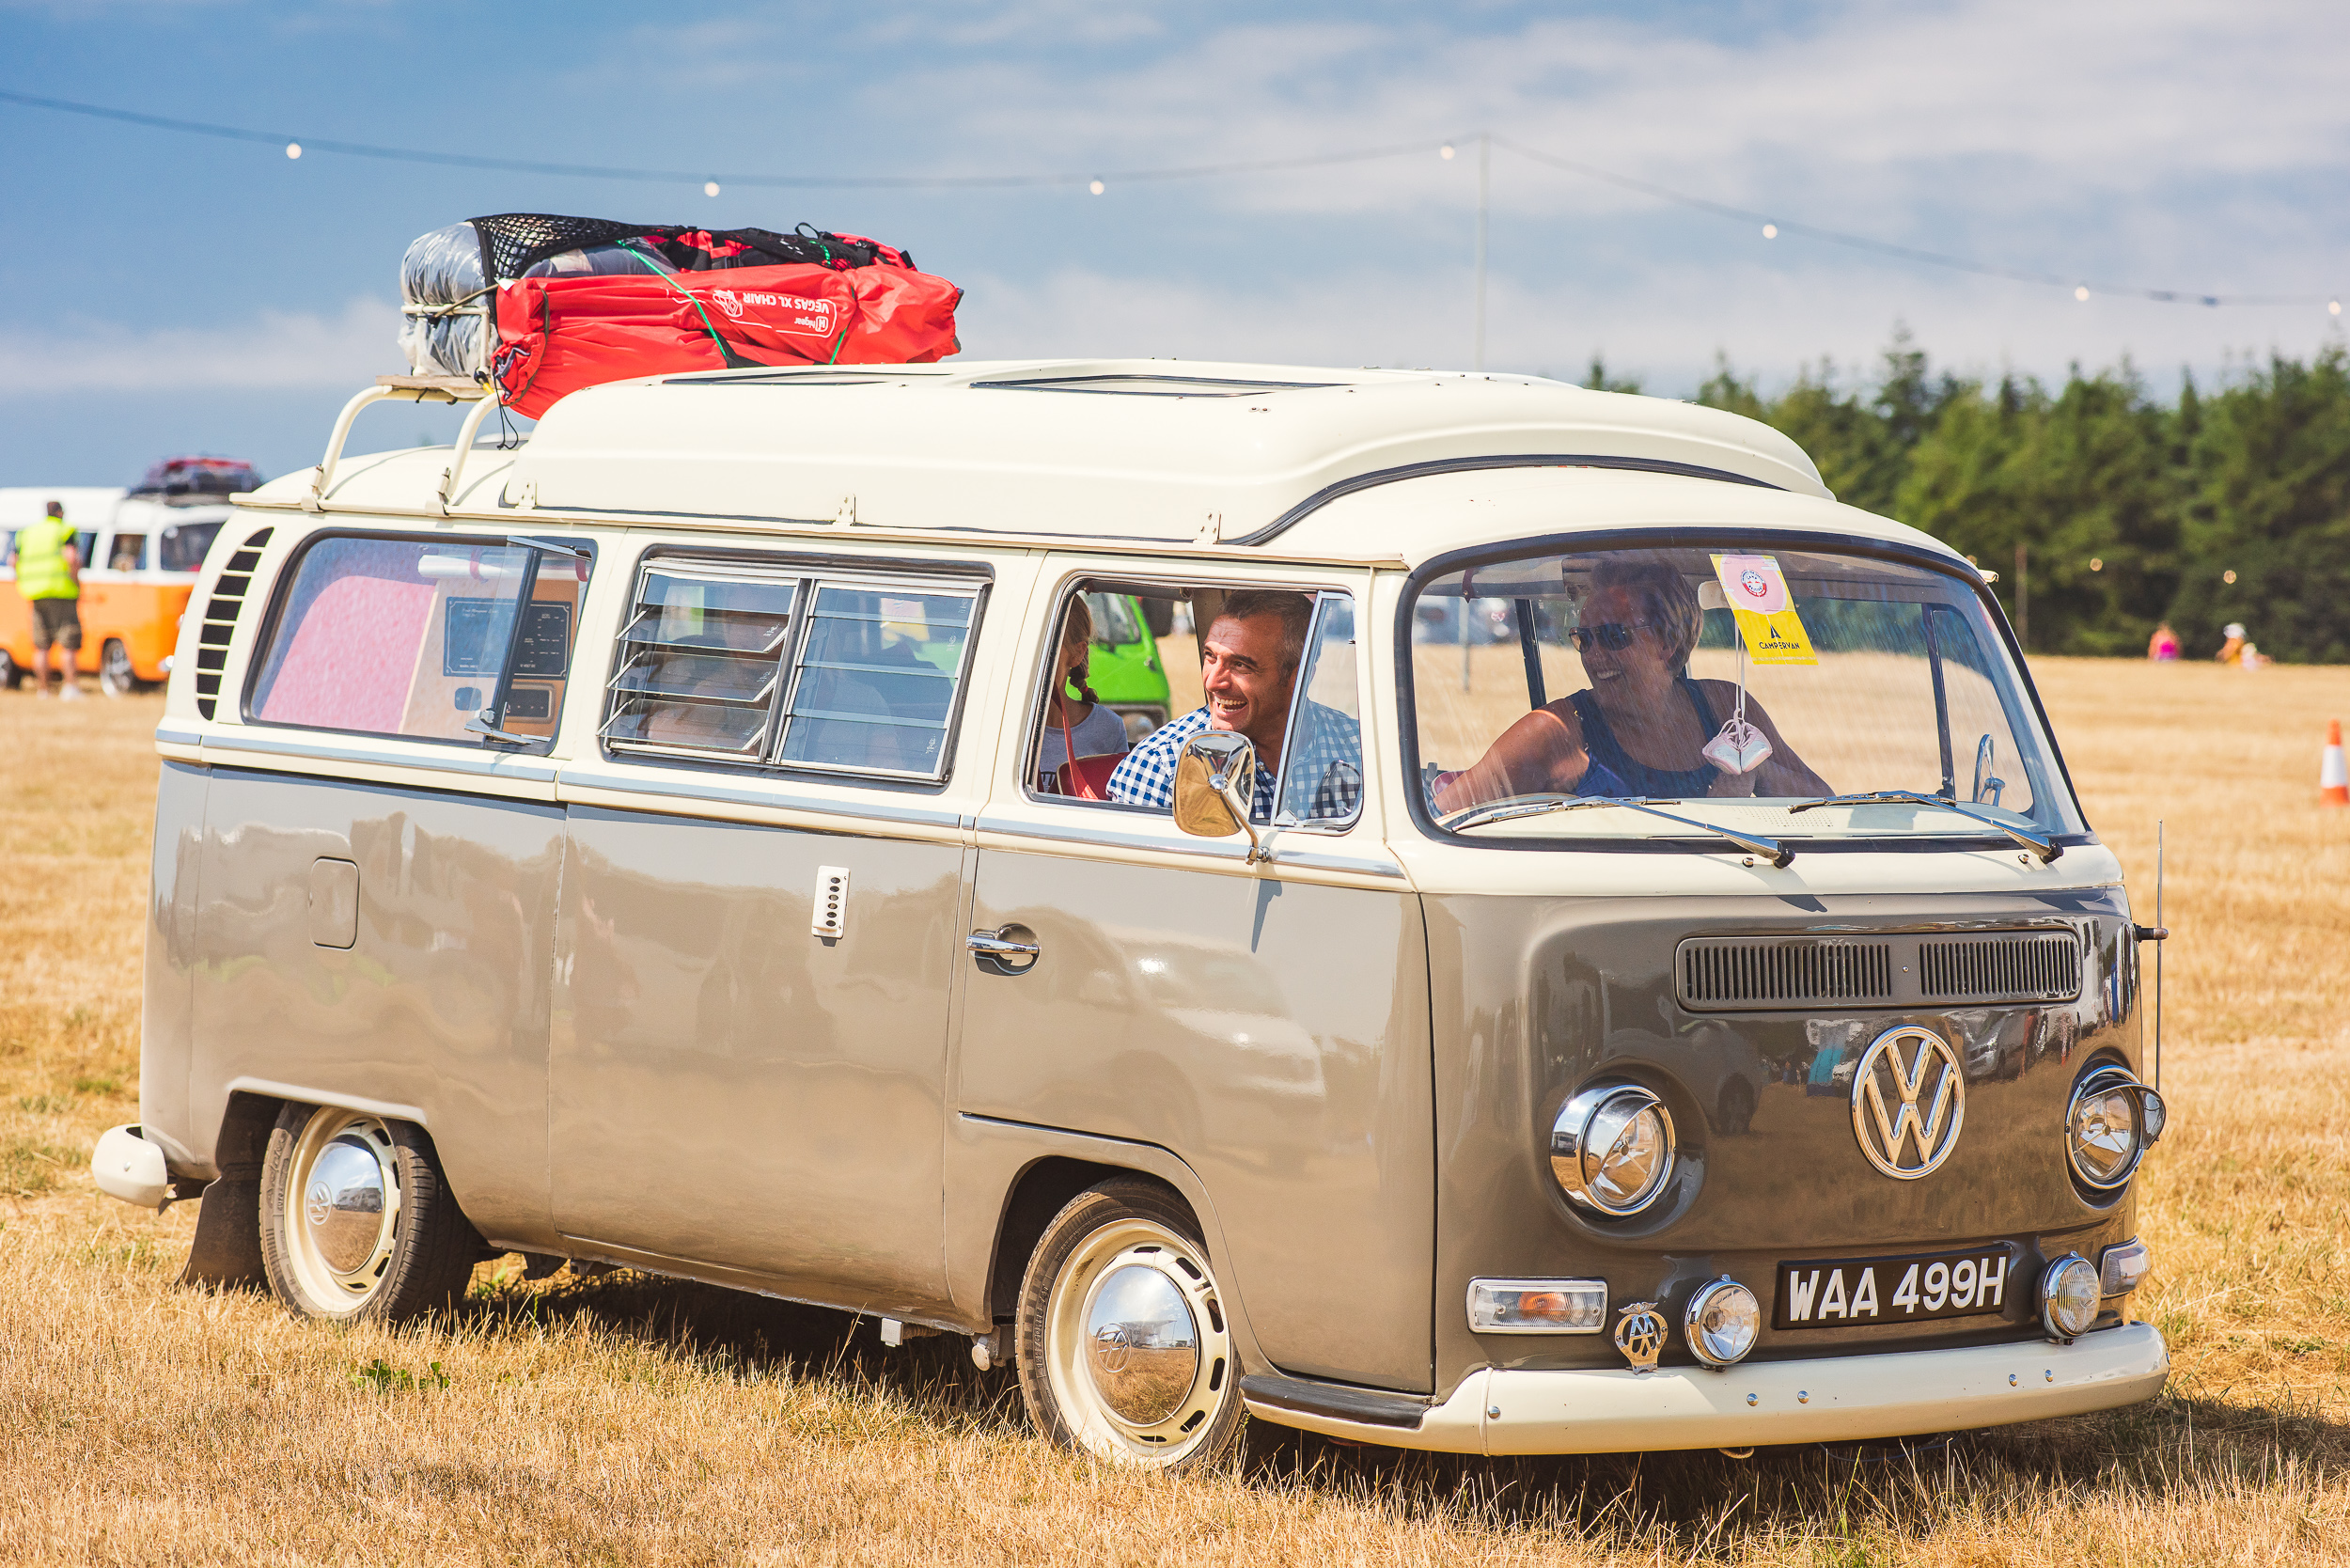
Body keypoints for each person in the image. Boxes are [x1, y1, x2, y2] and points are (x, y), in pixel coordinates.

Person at [1431, 560, 1826, 814]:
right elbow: (1443, 817)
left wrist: (1758, 772)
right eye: (1584, 638)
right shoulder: (1553, 732)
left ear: (1667, 641)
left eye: (1615, 636)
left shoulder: (1726, 706)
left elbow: (1827, 806)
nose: (1594, 655)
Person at [1108, 589, 1358, 821]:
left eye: (1240, 665)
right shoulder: (1162, 767)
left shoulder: (1358, 748)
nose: (1213, 682)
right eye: (1210, 657)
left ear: (1299, 677)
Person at [1034, 595, 1130, 794]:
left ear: (1077, 653)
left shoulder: (1107, 728)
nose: (1034, 662)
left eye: (1047, 649)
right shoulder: (1001, 726)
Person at [8, 500, 85, 699]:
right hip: (62, 592)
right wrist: (76, 582)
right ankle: (70, 688)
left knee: (41, 645)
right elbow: (71, 558)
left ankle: (43, 690)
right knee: (68, 643)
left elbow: (13, 561)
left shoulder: (28, 533)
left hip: (34, 593)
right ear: (59, 512)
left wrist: (23, 582)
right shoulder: (65, 530)